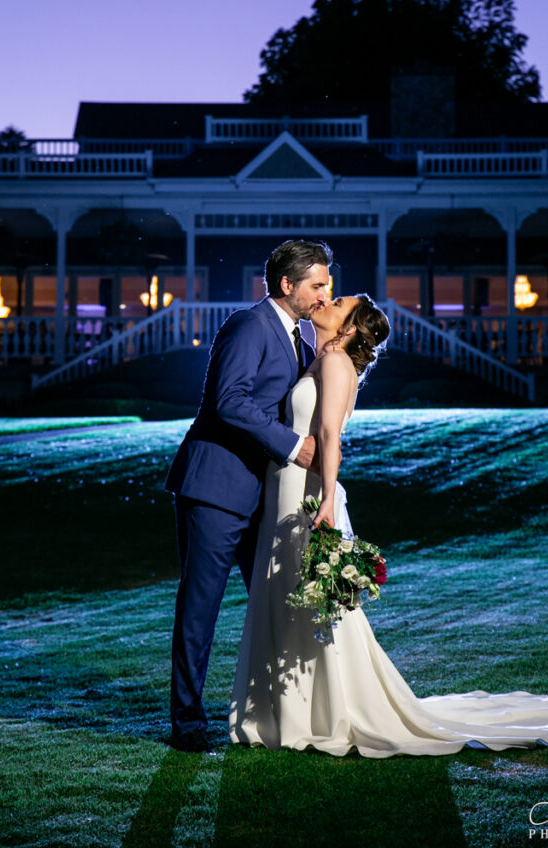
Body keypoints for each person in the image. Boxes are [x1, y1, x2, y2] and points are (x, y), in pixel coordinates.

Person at [229, 293, 548, 757]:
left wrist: (326, 505)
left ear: (351, 328)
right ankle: (280, 710)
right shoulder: (317, 357)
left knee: (316, 609)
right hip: (284, 488)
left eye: (338, 301)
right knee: (287, 599)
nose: (325, 300)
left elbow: (331, 439)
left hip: (307, 492)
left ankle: (322, 712)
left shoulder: (336, 362)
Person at [165, 239, 332, 753]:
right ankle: (188, 723)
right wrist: (292, 445)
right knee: (201, 608)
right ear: (288, 285)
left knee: (276, 602)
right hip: (216, 488)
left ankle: (277, 710)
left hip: (264, 497)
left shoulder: (300, 340)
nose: (326, 293)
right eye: (318, 285)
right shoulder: (247, 324)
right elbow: (228, 401)